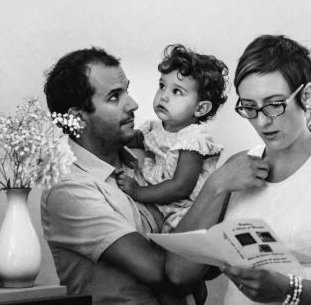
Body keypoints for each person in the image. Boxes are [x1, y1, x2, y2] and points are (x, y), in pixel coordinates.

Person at [166, 34, 311, 304]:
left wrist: (291, 290)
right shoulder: (236, 168)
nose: (263, 121)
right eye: (250, 107)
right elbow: (178, 273)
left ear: (307, 95)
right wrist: (215, 185)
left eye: (275, 105)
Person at [41, 47, 206, 305]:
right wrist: (218, 186)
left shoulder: (149, 158)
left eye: (126, 90)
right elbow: (167, 275)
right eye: (115, 97)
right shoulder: (69, 189)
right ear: (78, 118)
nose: (133, 104)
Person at [116, 44, 228, 233]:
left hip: (185, 210)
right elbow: (131, 139)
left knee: (181, 246)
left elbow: (181, 186)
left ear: (200, 109)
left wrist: (137, 192)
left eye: (177, 91)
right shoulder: (155, 127)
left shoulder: (192, 138)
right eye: (162, 86)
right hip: (161, 208)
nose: (164, 96)